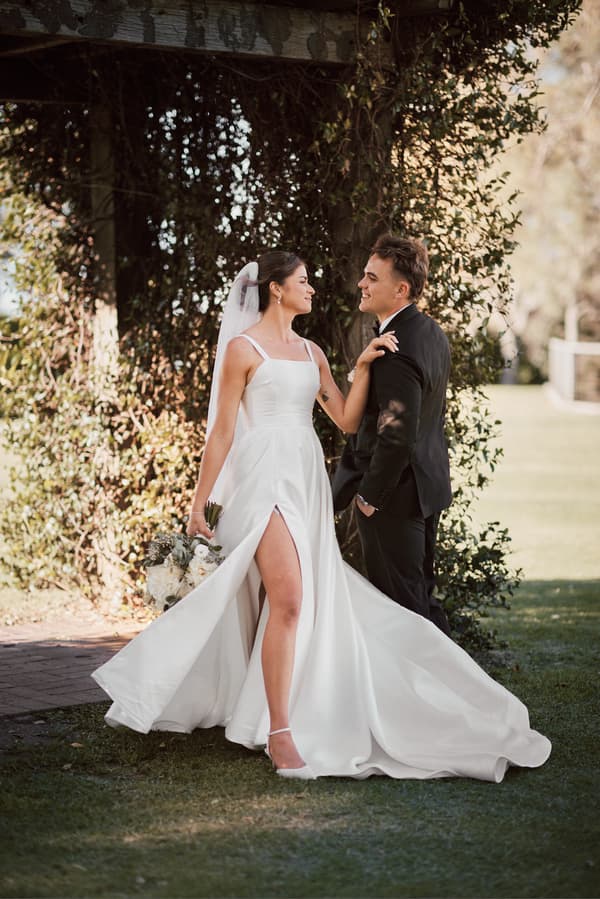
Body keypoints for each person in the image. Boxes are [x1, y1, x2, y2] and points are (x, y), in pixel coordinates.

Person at [92, 250, 551, 782]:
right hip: (262, 477)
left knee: (287, 602)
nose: (313, 288)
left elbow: (347, 419)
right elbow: (220, 433)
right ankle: (280, 732)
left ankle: (262, 708)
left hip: (303, 478)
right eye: (303, 281)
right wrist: (200, 502)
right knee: (287, 598)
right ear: (275, 290)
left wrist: (359, 369)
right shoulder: (242, 350)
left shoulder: (312, 353)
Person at [333, 234, 452, 635]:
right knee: (420, 599)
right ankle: (452, 690)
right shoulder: (431, 333)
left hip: (394, 498)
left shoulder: (396, 346)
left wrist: (369, 496)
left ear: (400, 289)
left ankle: (435, 692)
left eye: (371, 278)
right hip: (425, 489)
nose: (362, 284)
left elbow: (397, 433)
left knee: (401, 608)